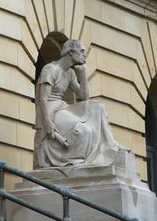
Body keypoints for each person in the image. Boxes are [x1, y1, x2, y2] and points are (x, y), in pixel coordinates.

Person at [33, 39, 121, 169]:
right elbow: (42, 98)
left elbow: (84, 97)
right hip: (51, 109)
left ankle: (109, 144)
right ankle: (74, 158)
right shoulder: (51, 69)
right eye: (82, 51)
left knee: (98, 107)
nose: (84, 54)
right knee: (84, 130)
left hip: (62, 107)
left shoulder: (70, 73)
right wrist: (47, 122)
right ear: (70, 52)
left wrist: (83, 73)